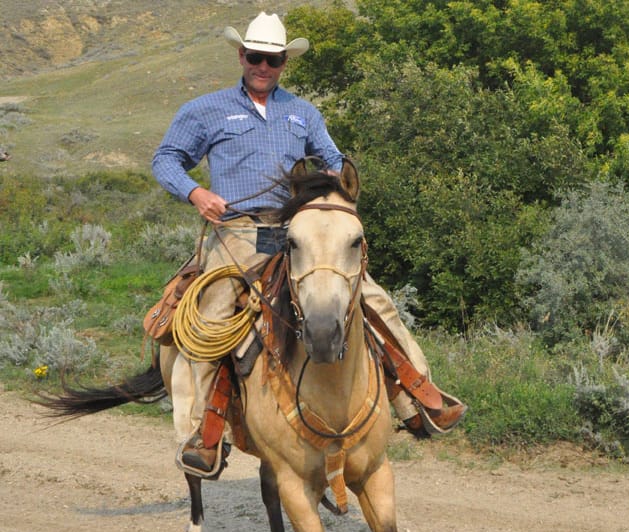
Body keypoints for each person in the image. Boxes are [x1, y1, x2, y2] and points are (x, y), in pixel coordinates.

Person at [152, 12, 466, 475]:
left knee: (374, 301)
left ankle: (420, 397)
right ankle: (205, 432)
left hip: (299, 233)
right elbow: (166, 159)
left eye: (273, 60)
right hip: (237, 233)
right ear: (241, 56)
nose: (264, 66)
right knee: (213, 316)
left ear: (283, 63)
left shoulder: (303, 112)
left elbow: (334, 159)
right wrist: (196, 193)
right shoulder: (206, 110)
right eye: (256, 57)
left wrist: (338, 185)